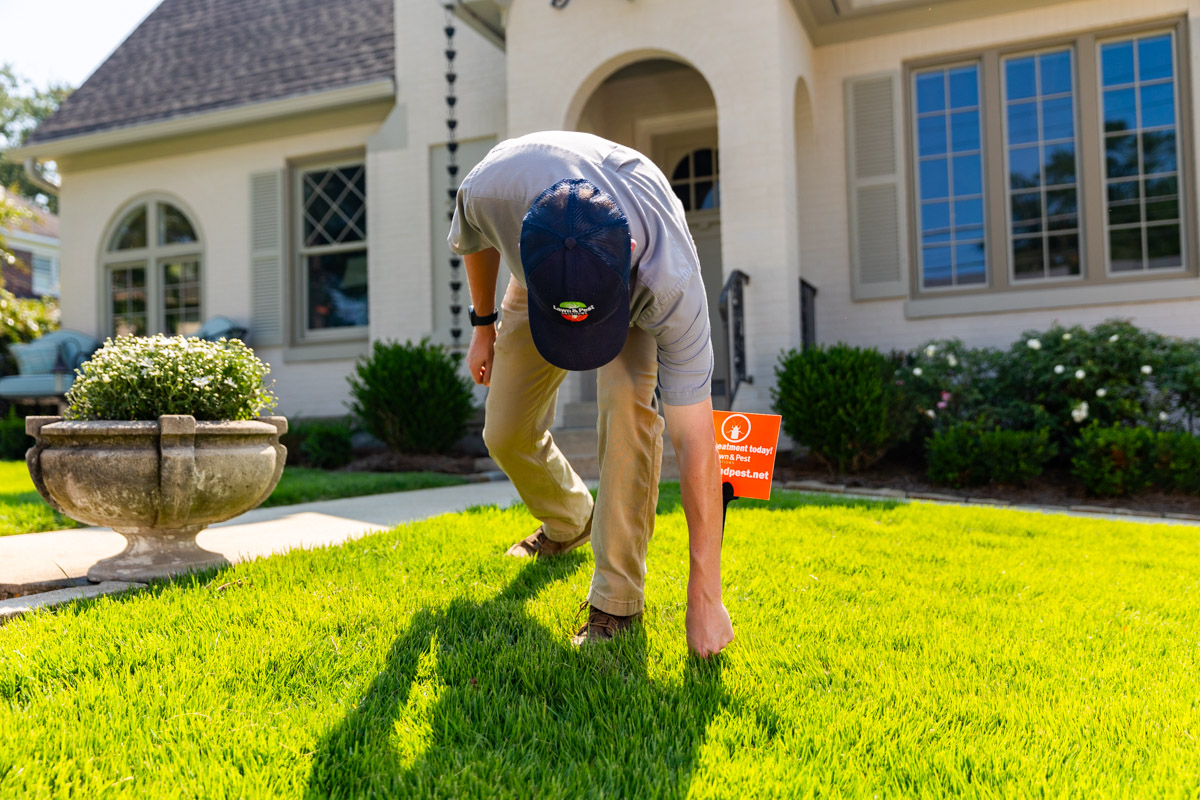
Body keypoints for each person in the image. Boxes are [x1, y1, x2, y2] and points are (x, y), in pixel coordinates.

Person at [448, 131, 733, 658]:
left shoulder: (670, 287)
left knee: (628, 405)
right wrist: (484, 323)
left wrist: (706, 593)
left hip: (630, 268)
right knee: (504, 431)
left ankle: (616, 601)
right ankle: (569, 517)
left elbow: (697, 445)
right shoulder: (491, 192)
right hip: (547, 271)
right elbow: (475, 239)